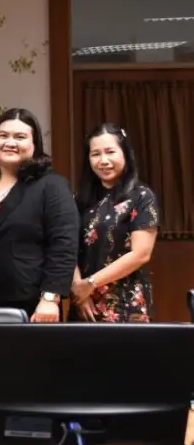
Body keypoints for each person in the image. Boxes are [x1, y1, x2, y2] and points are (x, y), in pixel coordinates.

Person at [0, 108, 79, 322]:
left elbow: (64, 244)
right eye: (3, 135)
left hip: (33, 305)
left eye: (20, 137)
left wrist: (50, 298)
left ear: (34, 144)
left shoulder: (52, 185)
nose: (10, 143)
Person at [70, 123, 159, 323]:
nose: (103, 161)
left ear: (125, 153)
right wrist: (78, 288)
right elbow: (67, 245)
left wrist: (90, 283)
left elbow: (141, 254)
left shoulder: (142, 197)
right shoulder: (79, 199)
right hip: (84, 302)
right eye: (95, 154)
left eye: (110, 152)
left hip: (125, 304)